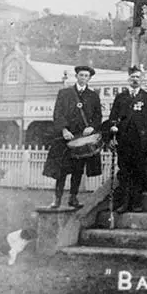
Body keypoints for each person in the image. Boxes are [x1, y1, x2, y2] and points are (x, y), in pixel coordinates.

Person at [43, 65, 102, 209]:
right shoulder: (65, 93)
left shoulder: (93, 96)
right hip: (66, 137)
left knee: (78, 169)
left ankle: (73, 197)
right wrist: (64, 130)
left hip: (83, 138)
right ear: (76, 76)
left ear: (89, 78)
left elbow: (97, 116)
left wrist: (92, 127)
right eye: (81, 75)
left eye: (86, 76)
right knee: (61, 170)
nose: (83, 78)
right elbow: (58, 113)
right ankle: (57, 199)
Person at [109, 66, 147, 213]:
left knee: (138, 171)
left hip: (140, 140)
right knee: (124, 172)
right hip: (123, 140)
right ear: (128, 79)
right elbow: (113, 119)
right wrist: (111, 138)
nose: (135, 80)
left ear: (142, 79)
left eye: (137, 77)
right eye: (132, 77)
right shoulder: (121, 97)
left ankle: (136, 202)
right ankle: (124, 203)